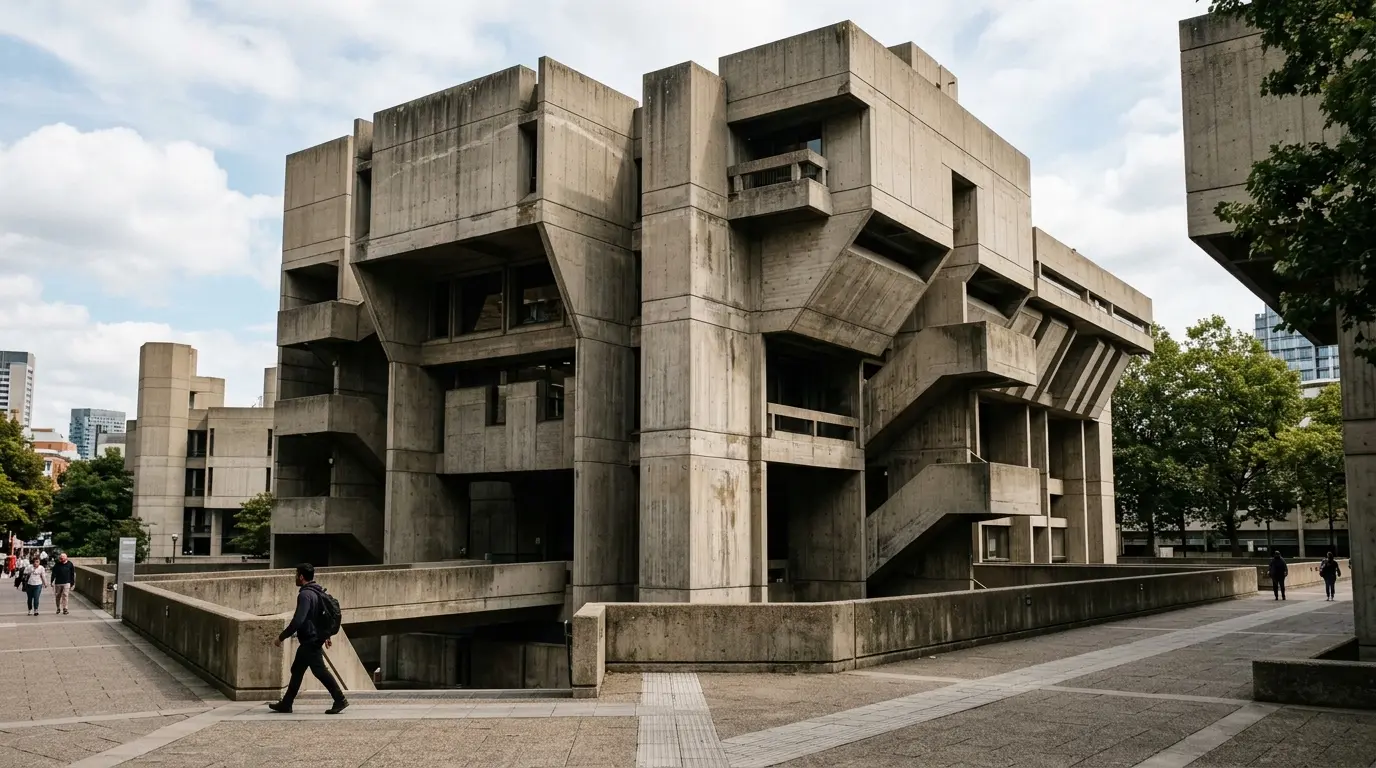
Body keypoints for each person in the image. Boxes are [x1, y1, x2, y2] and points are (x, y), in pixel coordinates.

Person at [267, 564, 348, 715]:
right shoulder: (316, 591)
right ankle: (286, 703)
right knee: (297, 670)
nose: (295, 577)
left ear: (301, 576)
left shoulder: (305, 595)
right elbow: (320, 617)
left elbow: (298, 620)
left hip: (310, 640)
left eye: (296, 574)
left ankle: (340, 699)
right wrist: (327, 635)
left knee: (320, 671)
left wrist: (281, 637)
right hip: (313, 638)